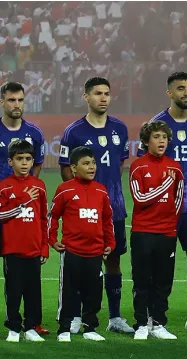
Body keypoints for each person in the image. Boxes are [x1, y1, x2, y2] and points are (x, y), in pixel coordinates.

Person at [140, 72, 187, 332]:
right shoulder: (156, 125)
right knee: (160, 261)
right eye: (180, 88)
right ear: (169, 93)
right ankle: (155, 317)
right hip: (164, 208)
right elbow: (144, 163)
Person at [58, 77, 134, 335]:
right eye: (98, 93)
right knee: (82, 264)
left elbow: (119, 166)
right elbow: (66, 171)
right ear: (86, 97)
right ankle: (79, 316)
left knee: (114, 261)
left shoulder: (120, 129)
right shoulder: (74, 132)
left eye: (107, 93)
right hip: (83, 212)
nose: (103, 98)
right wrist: (83, 199)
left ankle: (115, 317)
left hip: (114, 207)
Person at [0, 81, 47, 336]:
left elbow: (36, 168)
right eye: (12, 100)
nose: (17, 105)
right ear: (2, 102)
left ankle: (31, 322)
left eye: (20, 100)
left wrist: (25, 190)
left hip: (25, 213)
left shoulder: (35, 134)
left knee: (25, 268)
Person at [50, 146, 116, 343]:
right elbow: (52, 216)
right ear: (73, 168)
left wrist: (110, 243)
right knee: (68, 291)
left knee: (93, 292)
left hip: (95, 252)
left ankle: (90, 327)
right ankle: (64, 328)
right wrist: (52, 240)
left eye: (93, 163)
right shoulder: (65, 189)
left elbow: (107, 219)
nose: (91, 167)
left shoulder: (101, 191)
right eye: (86, 163)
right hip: (72, 251)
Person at [129, 120, 185, 340]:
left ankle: (159, 323)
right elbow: (139, 199)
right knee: (142, 279)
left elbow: (178, 199)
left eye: (164, 137)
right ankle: (141, 323)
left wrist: (171, 223)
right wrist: (163, 186)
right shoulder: (138, 166)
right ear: (145, 141)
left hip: (167, 233)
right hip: (143, 232)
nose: (161, 141)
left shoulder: (175, 167)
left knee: (163, 280)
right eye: (156, 137)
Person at [0, 139, 49, 343]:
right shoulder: (5, 186)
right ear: (10, 161)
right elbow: (0, 213)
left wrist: (44, 246)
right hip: (13, 249)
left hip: (34, 248)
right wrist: (22, 201)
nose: (24, 163)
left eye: (28, 159)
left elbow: (43, 218)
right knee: (14, 290)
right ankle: (14, 327)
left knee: (34, 290)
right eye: (19, 159)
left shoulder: (39, 186)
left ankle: (31, 326)